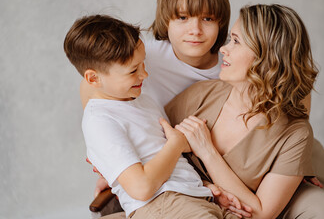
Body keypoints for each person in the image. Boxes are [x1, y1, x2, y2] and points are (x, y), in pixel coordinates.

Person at [83, 0, 324, 218]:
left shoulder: (227, 66)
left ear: (221, 23)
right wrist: (109, 158)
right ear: (166, 20)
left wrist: (289, 157)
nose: (195, 30)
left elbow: (296, 95)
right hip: (195, 167)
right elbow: (98, 89)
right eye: (182, 18)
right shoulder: (146, 55)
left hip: (268, 138)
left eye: (208, 19)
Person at [165, 4, 324, 218]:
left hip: (293, 169)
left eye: (236, 42)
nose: (223, 49)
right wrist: (204, 185)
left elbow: (261, 213)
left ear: (267, 58)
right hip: (189, 203)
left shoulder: (294, 130)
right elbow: (149, 146)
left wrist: (207, 151)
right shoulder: (200, 95)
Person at [64, 14, 241, 219]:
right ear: (93, 78)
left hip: (191, 198)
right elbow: (141, 188)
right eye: (132, 71)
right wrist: (176, 144)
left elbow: (164, 161)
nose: (144, 75)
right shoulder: (100, 121)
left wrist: (204, 187)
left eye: (143, 64)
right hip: (160, 205)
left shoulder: (141, 100)